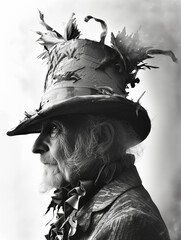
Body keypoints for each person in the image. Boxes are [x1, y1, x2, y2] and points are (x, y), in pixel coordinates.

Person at [7, 12, 177, 240]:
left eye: (54, 128)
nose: (37, 145)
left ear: (101, 137)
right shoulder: (86, 205)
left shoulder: (130, 221)